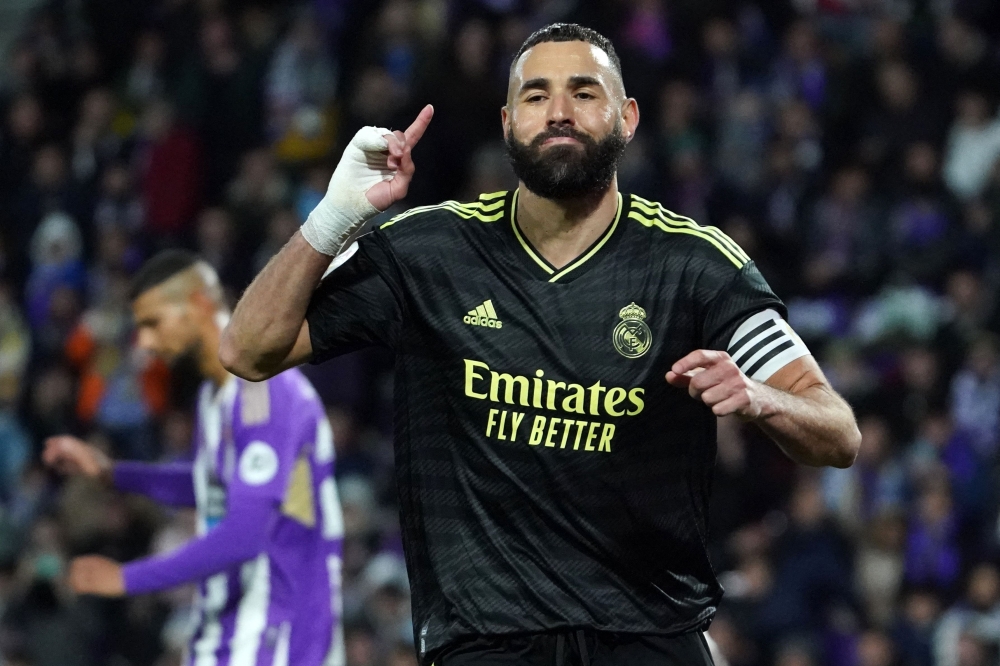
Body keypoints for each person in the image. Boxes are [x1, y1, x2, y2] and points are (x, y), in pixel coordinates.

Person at [221, 23, 861, 666]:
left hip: (649, 639)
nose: (558, 112)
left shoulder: (694, 265)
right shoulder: (430, 253)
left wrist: (758, 396)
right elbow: (248, 350)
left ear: (628, 116)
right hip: (483, 643)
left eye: (584, 93)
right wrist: (333, 218)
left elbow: (838, 433)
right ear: (506, 122)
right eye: (536, 96)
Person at [43, 250, 344, 666]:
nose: (145, 343)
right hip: (230, 627)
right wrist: (113, 473)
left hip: (276, 633)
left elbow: (245, 535)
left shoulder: (267, 390)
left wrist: (126, 578)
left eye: (153, 323)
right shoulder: (212, 396)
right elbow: (212, 484)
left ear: (200, 304)